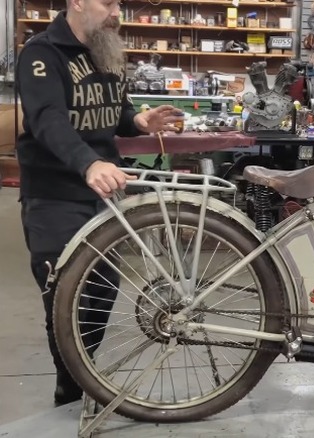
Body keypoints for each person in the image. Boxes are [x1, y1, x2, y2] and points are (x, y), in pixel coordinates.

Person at [15, 0, 183, 406]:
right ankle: (69, 389)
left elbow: (114, 112)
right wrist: (87, 163)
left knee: (102, 291)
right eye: (107, 2)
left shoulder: (105, 48)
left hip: (104, 194)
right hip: (55, 195)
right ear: (76, 2)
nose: (116, 10)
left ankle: (82, 374)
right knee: (64, 299)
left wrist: (137, 122)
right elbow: (47, 118)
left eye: (118, 3)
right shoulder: (42, 54)